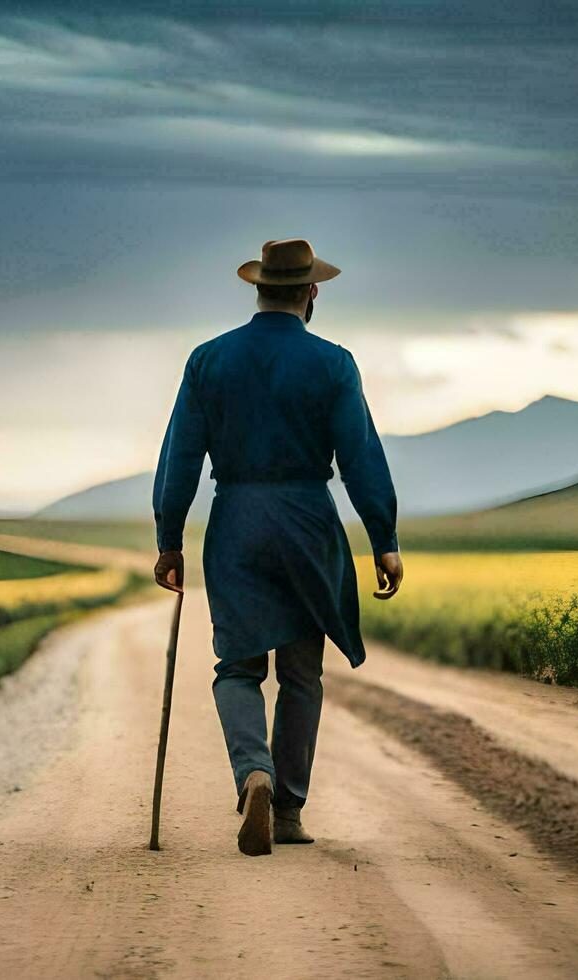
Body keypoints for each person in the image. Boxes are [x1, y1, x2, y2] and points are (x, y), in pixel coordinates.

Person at [151, 237, 403, 857]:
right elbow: (360, 458)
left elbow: (179, 457)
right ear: (311, 291)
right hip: (306, 520)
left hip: (234, 518)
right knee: (300, 672)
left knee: (237, 666)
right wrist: (384, 539)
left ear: (258, 287)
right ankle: (287, 809)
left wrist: (169, 538)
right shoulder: (334, 364)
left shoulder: (207, 360)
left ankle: (252, 774)